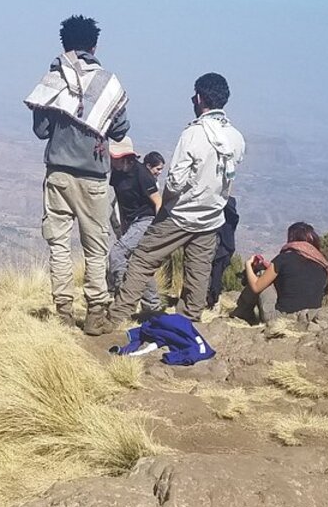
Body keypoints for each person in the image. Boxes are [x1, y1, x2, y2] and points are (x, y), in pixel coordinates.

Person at [102, 73, 245, 330]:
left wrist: (166, 206)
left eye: (194, 95)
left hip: (182, 215)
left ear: (200, 98)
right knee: (198, 272)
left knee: (143, 258)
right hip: (211, 217)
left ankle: (115, 318)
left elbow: (176, 181)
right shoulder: (236, 137)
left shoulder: (193, 134)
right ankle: (188, 322)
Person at [24, 15, 130, 331]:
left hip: (58, 174)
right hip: (93, 179)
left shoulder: (52, 80)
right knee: (95, 247)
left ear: (64, 44)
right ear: (94, 45)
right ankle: (96, 313)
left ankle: (63, 313)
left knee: (59, 244)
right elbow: (122, 128)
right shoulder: (109, 83)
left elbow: (42, 130)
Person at [235, 222, 328, 334]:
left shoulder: (283, 259)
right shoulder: (323, 265)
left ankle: (241, 312)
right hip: (309, 319)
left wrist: (248, 265)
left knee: (261, 274)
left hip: (280, 320)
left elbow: (256, 287)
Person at [107, 137, 163, 315]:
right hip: (131, 222)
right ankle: (152, 306)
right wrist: (125, 228)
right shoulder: (117, 173)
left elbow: (157, 202)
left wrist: (158, 230)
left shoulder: (142, 174)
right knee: (139, 263)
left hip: (146, 220)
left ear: (126, 157)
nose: (112, 161)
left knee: (117, 254)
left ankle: (122, 299)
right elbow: (123, 203)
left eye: (115, 158)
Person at [207, 196, 239, 310]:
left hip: (219, 243)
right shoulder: (228, 202)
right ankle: (211, 300)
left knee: (214, 273)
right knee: (215, 273)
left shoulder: (224, 201)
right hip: (223, 244)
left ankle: (212, 300)